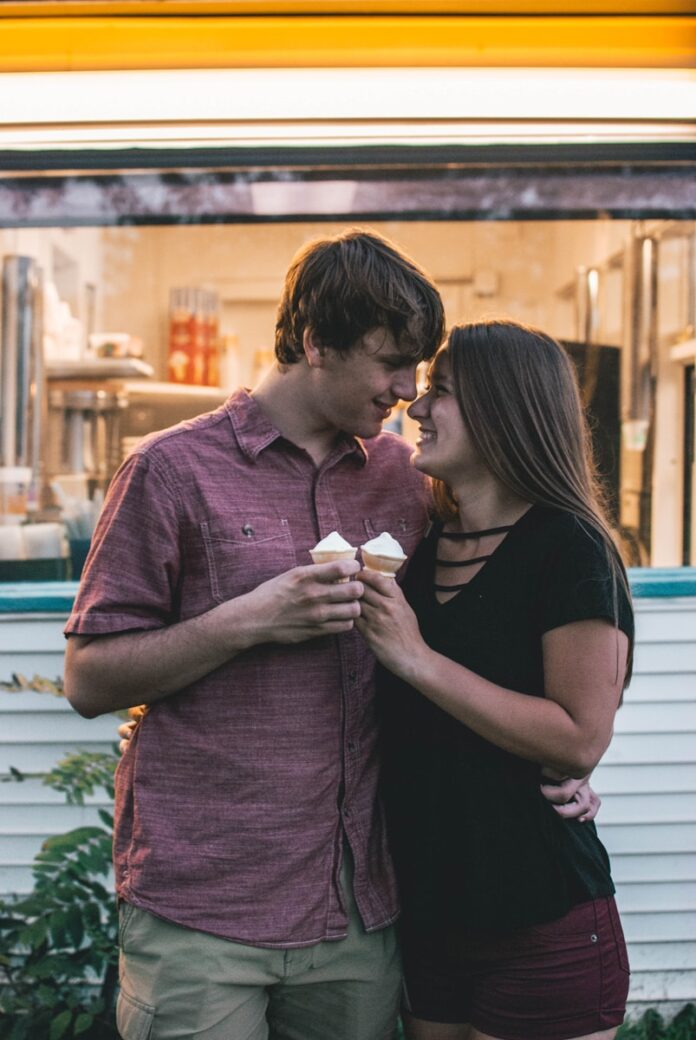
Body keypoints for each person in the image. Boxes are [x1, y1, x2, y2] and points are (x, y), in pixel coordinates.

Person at [64, 230, 596, 1040]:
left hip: (361, 910)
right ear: (315, 342)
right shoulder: (169, 471)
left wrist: (559, 762)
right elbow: (88, 680)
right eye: (391, 364)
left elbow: (504, 626)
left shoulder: (410, 479)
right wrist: (248, 620)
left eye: (420, 371)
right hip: (206, 909)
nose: (406, 392)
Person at [356, 319, 633, 1040]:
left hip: (539, 921)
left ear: (503, 406)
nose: (415, 408)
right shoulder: (420, 544)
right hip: (430, 917)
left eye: (439, 391)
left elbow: (576, 739)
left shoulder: (569, 548)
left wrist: (418, 660)